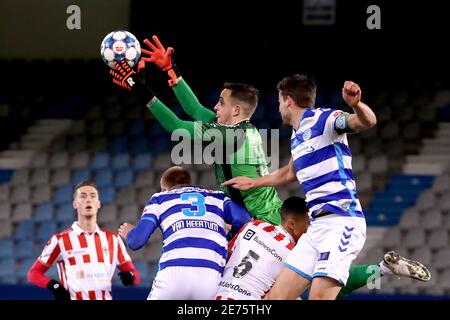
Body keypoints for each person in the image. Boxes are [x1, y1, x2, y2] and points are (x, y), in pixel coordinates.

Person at [223, 74, 377, 299]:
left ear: (287, 100)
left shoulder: (324, 119)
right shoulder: (297, 137)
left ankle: (380, 270)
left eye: (278, 102)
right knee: (273, 299)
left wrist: (357, 105)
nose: (278, 108)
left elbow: (366, 121)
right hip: (315, 228)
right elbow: (289, 173)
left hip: (341, 221)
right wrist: (253, 182)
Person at [109, 35, 283, 226]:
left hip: (263, 222)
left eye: (221, 103)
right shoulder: (240, 130)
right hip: (258, 217)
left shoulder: (231, 135)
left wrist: (141, 91)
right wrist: (170, 69)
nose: (215, 107)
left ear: (236, 110)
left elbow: (176, 126)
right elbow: (195, 109)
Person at [216, 196, 431, 300]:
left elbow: (223, 258)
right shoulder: (296, 254)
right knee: (328, 287)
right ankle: (382, 269)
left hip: (217, 295)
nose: (312, 228)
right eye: (308, 223)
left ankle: (383, 269)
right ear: (292, 224)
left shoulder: (251, 226)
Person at [118, 166, 251, 299]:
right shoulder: (218, 197)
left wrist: (129, 232)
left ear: (164, 188)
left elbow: (136, 241)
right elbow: (245, 221)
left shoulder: (160, 198)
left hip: (173, 274)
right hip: (210, 276)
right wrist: (226, 234)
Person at [27, 181, 141, 300]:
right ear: (75, 204)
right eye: (82, 196)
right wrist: (54, 286)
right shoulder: (60, 240)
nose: (88, 200)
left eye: (93, 196)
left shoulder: (113, 239)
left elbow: (135, 275)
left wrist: (131, 277)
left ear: (98, 204)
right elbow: (34, 273)